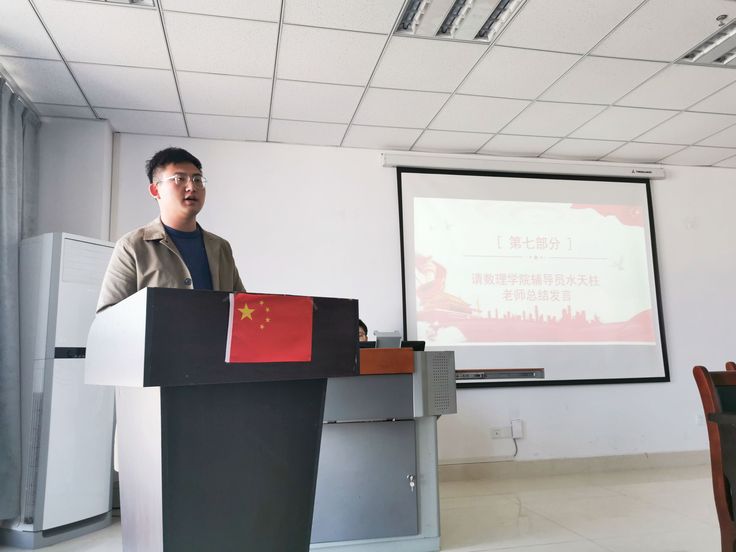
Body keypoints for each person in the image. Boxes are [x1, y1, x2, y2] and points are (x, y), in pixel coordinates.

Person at [97, 147, 244, 312]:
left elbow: (242, 309)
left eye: (197, 179)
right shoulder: (132, 246)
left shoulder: (221, 247)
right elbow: (107, 314)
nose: (192, 186)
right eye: (179, 179)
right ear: (155, 190)